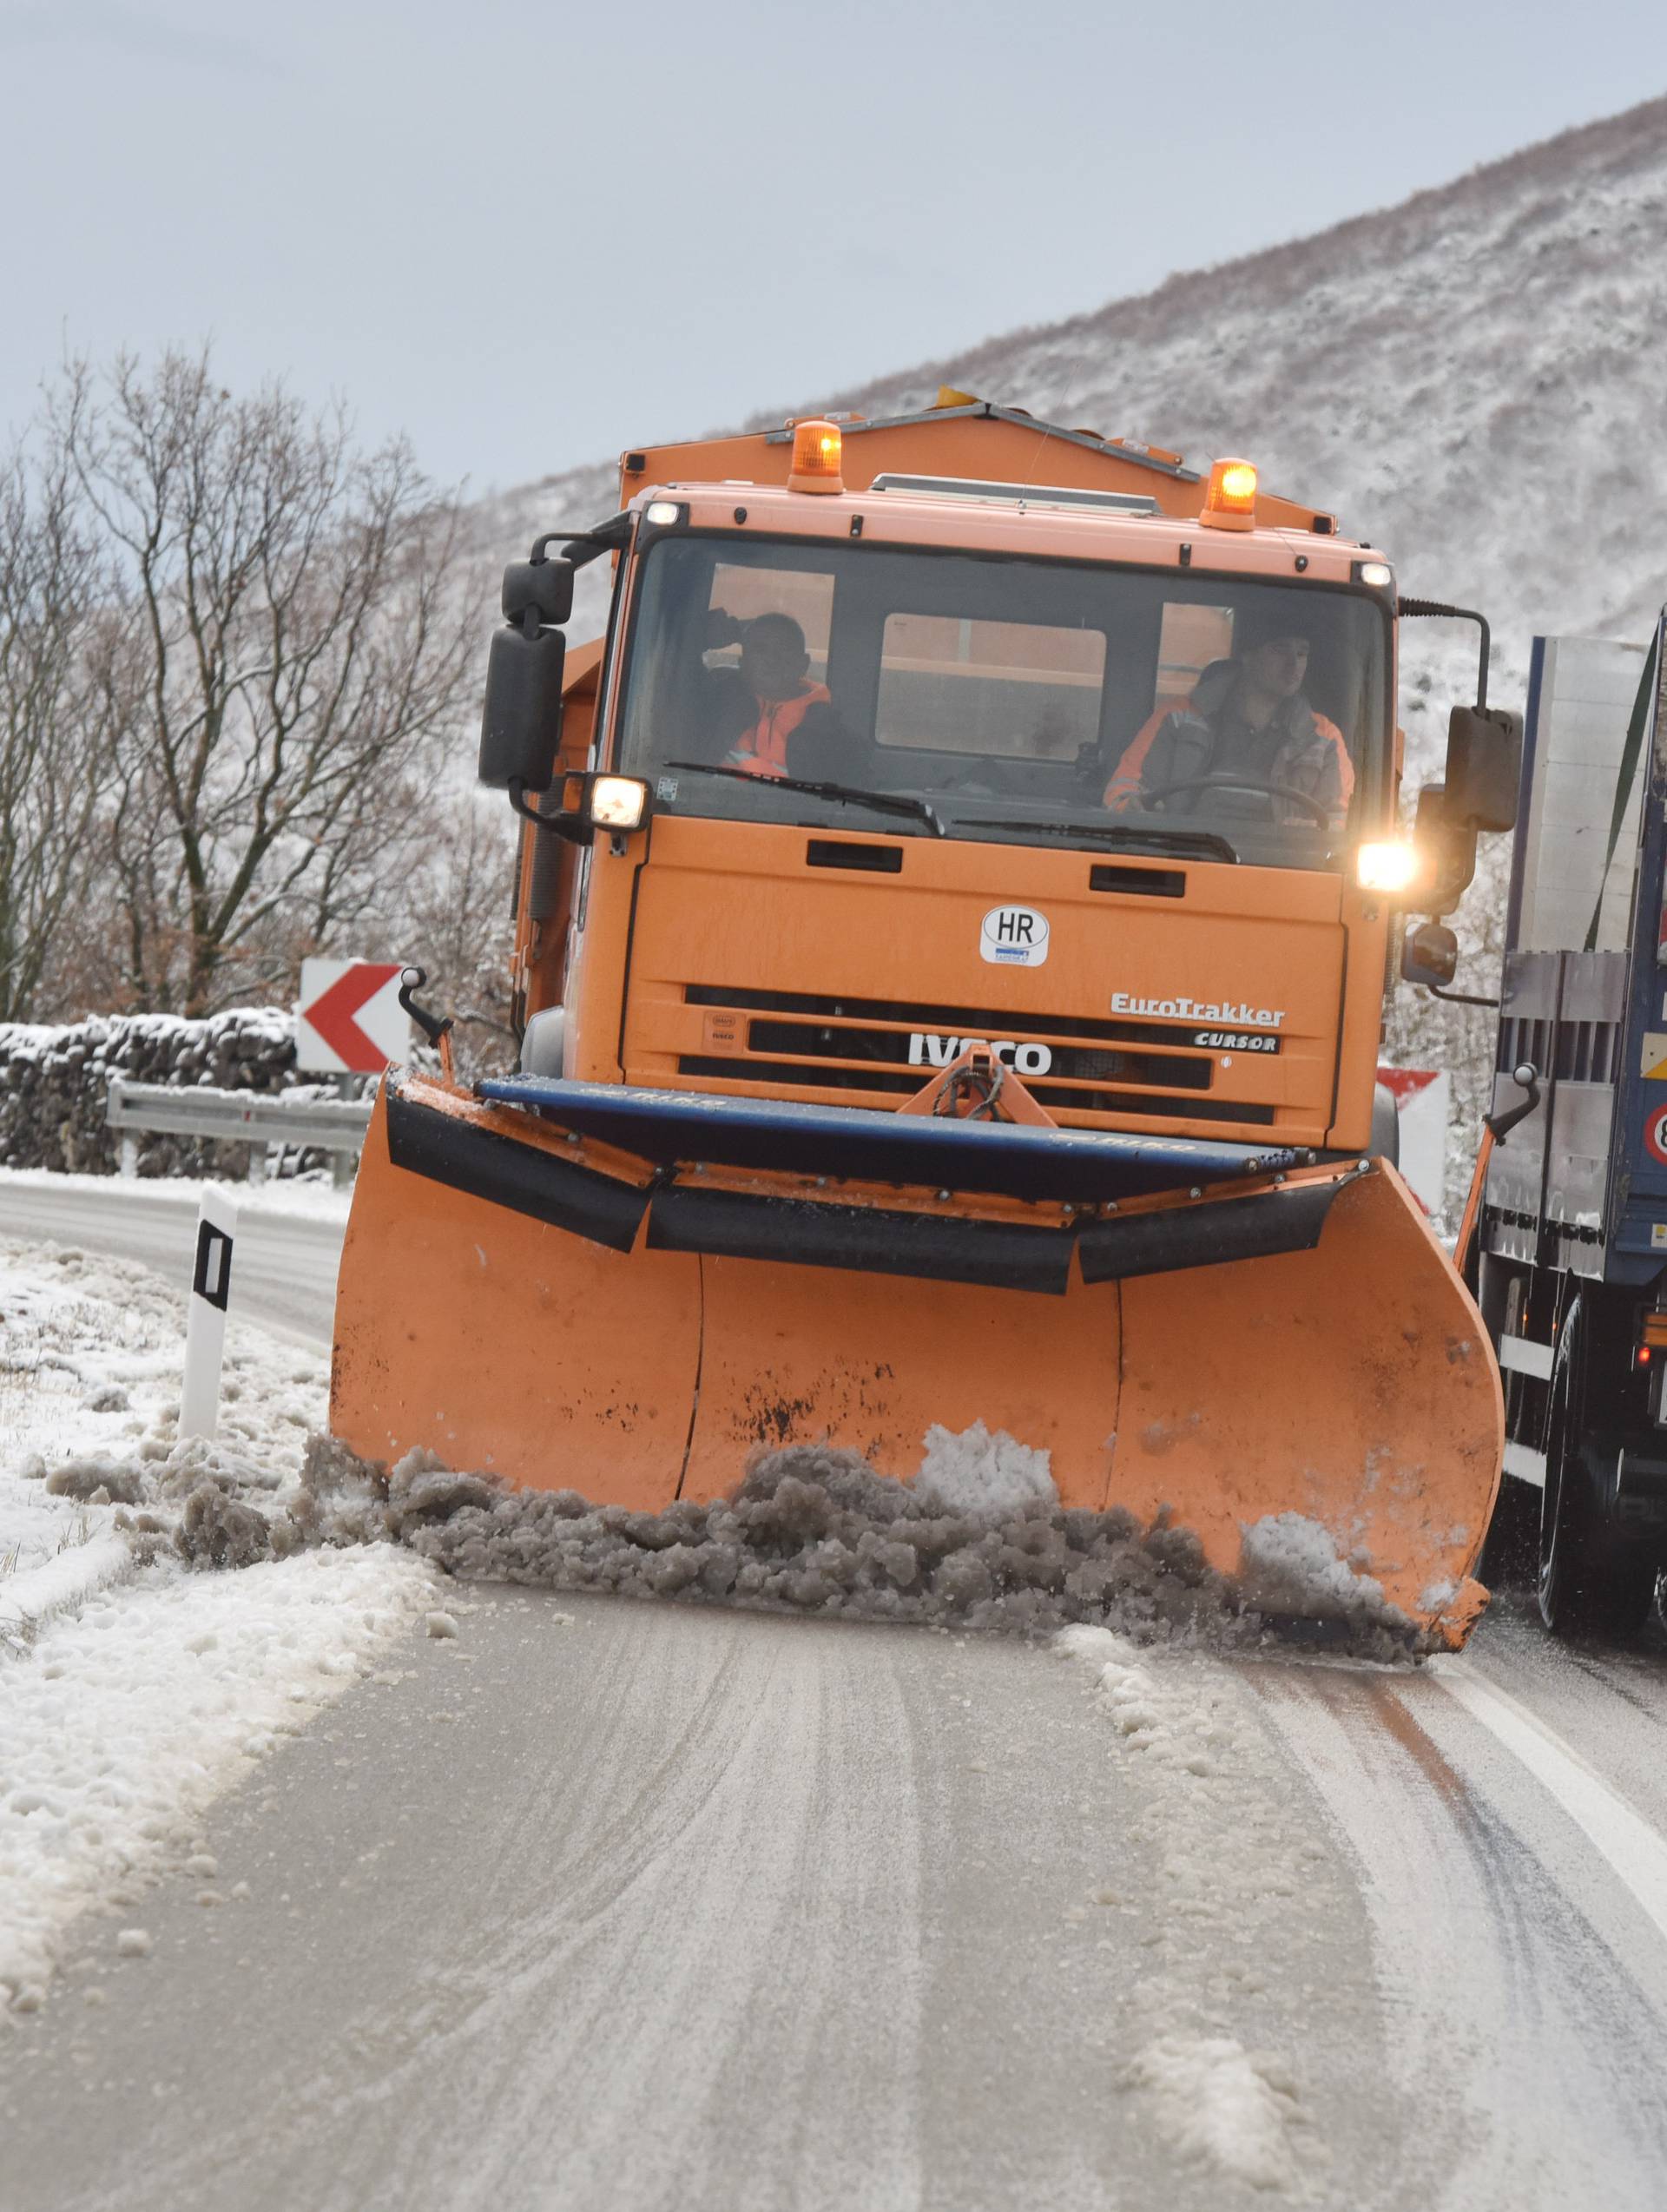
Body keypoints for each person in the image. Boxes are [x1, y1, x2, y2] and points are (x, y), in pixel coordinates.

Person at [1104, 612, 1354, 822]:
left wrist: (1310, 836)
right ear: (1248, 656)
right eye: (1280, 650)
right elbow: (1124, 789)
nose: (1294, 665)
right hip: (1181, 856)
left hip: (1282, 869)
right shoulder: (1177, 718)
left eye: (1302, 653)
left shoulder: (1324, 737)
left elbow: (1339, 822)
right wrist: (1133, 810)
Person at [698, 610, 847, 780]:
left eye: (783, 649)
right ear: (743, 664)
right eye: (760, 649)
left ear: (803, 664)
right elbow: (679, 657)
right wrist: (733, 630)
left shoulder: (824, 728)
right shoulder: (722, 701)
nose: (771, 659)